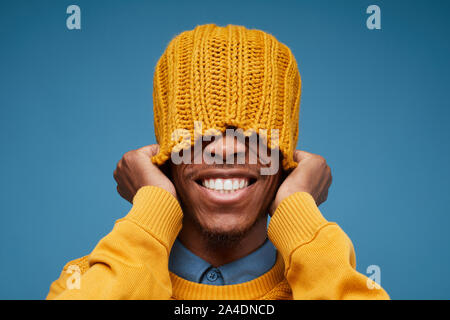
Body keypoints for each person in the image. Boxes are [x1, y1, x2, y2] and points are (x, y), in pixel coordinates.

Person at [46, 23, 389, 300]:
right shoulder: (86, 283)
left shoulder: (325, 281)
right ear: (165, 156)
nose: (225, 149)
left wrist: (298, 212)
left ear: (284, 158)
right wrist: (152, 208)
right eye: (198, 133)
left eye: (253, 134)